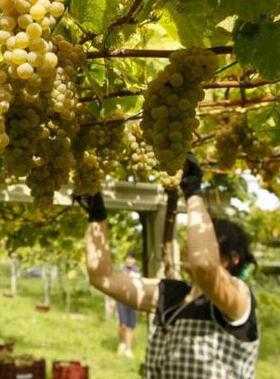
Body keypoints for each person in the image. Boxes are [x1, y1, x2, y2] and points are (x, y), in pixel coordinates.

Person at [77, 153, 259, 378]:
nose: (191, 244)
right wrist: (97, 215)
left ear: (232, 259)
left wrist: (193, 194)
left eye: (208, 240)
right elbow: (101, 277)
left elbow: (204, 266)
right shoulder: (173, 295)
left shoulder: (238, 300)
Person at [116, 250, 140, 358]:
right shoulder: (121, 270)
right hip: (122, 300)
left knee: (131, 326)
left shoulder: (138, 272)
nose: (130, 260)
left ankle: (128, 350)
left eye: (132, 258)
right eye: (128, 258)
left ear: (135, 260)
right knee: (123, 326)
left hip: (133, 301)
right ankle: (122, 343)